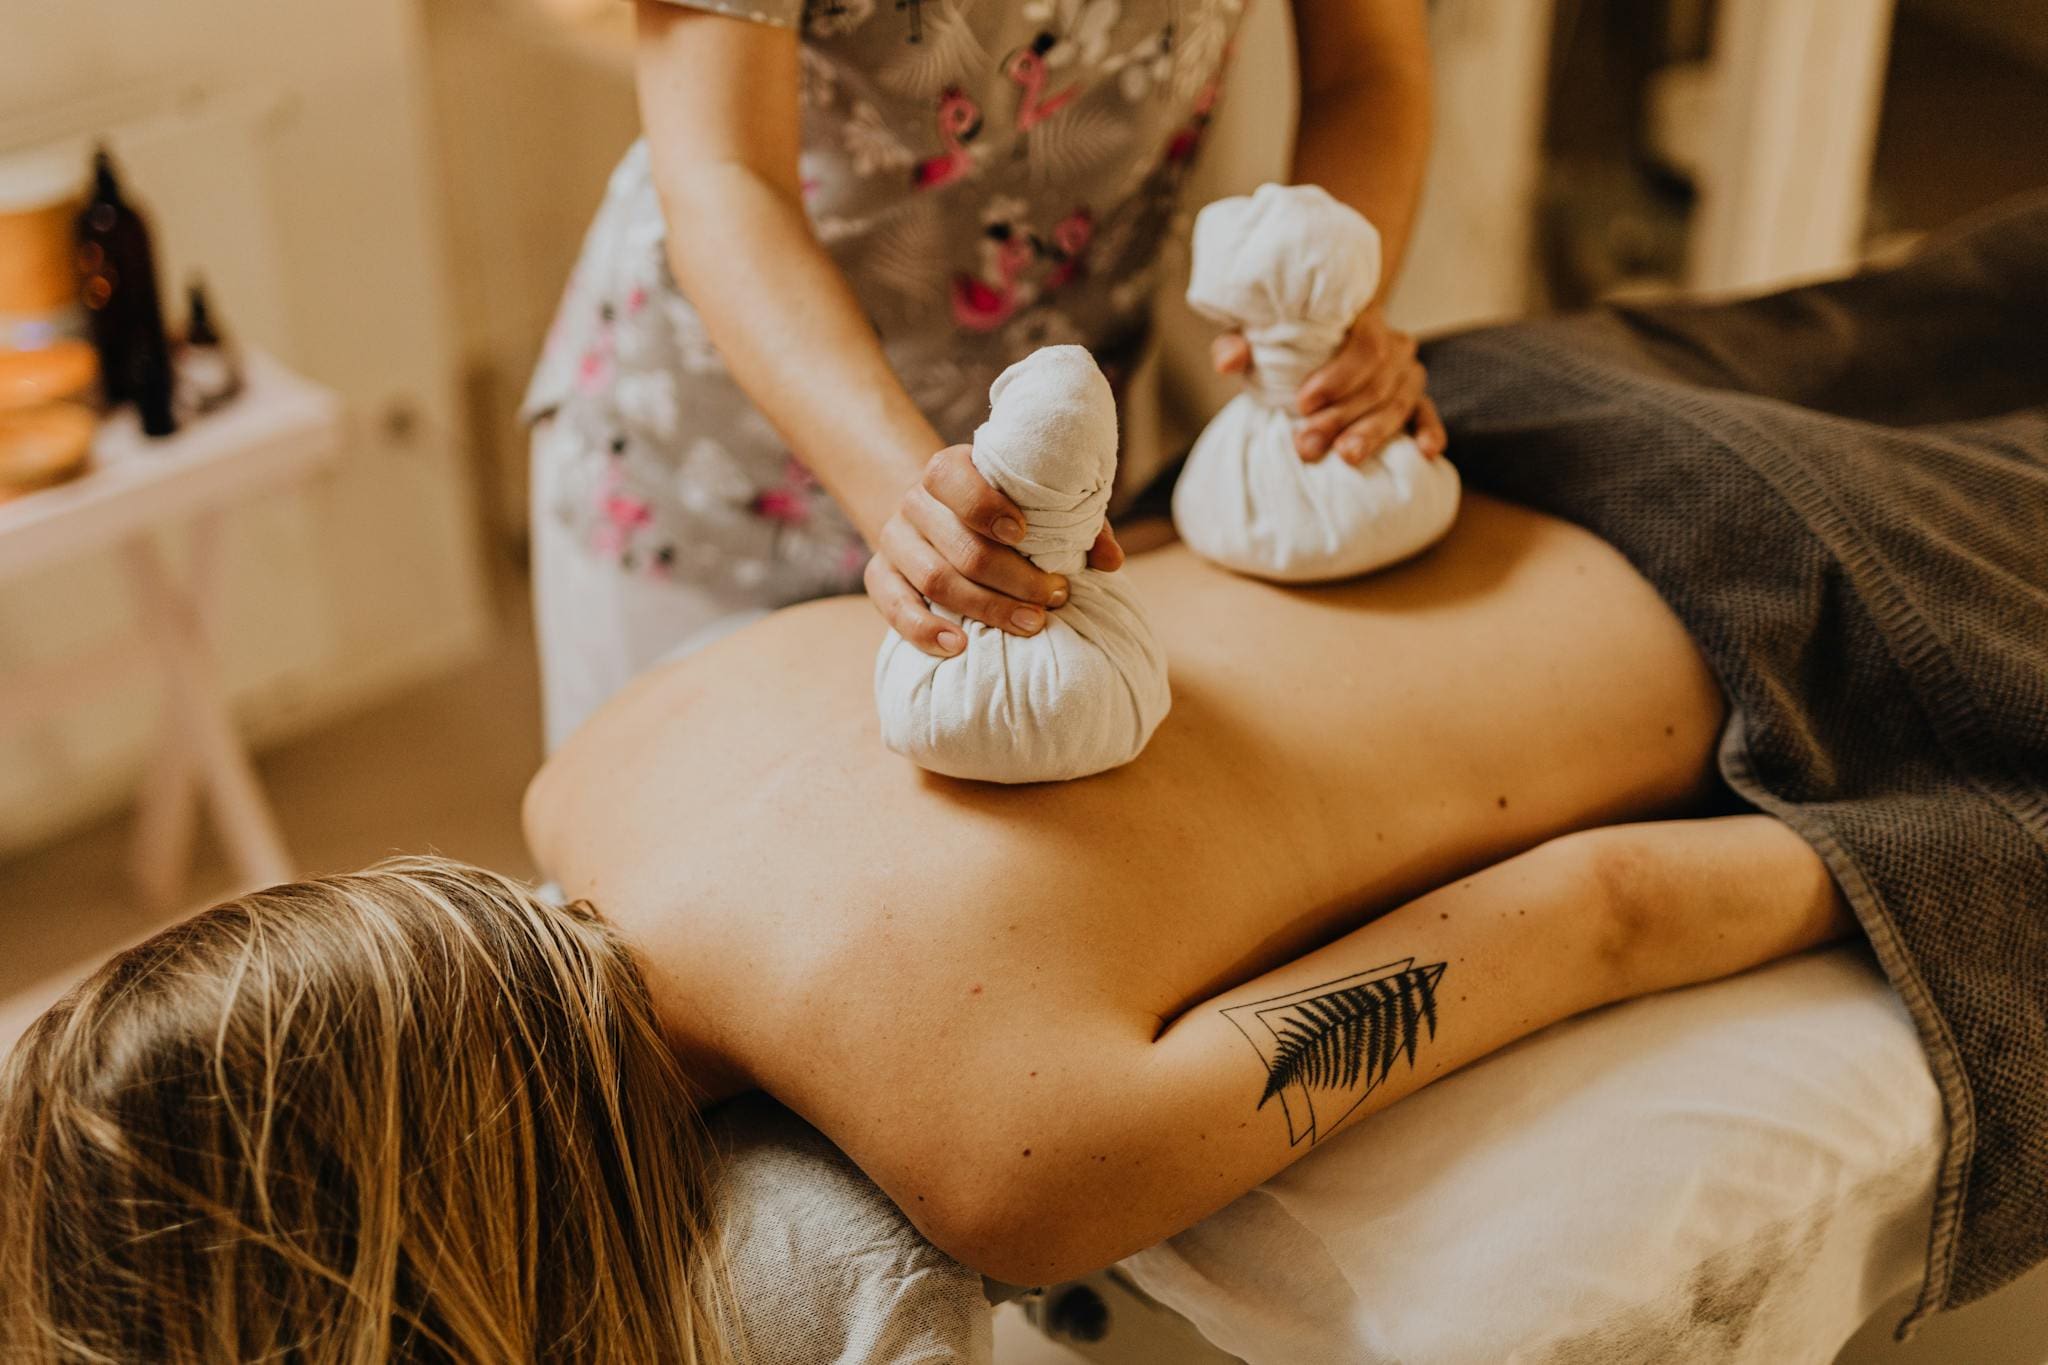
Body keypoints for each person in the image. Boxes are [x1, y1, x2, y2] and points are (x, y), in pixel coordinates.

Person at [7, 200, 2045, 1356]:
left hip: (1793, 593)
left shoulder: (997, 1149)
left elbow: (1599, 909)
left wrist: (1957, 853)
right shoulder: (601, 766)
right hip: (1453, 420)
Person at [522, 0, 1441, 749]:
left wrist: (1328, 300)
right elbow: (726, 180)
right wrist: (916, 507)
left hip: (1045, 457)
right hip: (707, 462)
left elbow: (1370, 68)